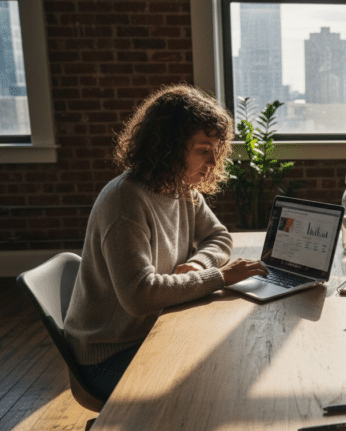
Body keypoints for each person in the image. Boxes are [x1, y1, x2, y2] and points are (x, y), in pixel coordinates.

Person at [64, 84, 268, 400]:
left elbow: (219, 236)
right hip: (108, 356)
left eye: (217, 149)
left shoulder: (182, 190)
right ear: (168, 146)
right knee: (216, 386)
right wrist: (220, 276)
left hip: (153, 331)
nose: (213, 161)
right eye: (203, 150)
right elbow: (139, 295)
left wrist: (198, 264)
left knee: (235, 362)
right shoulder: (125, 201)